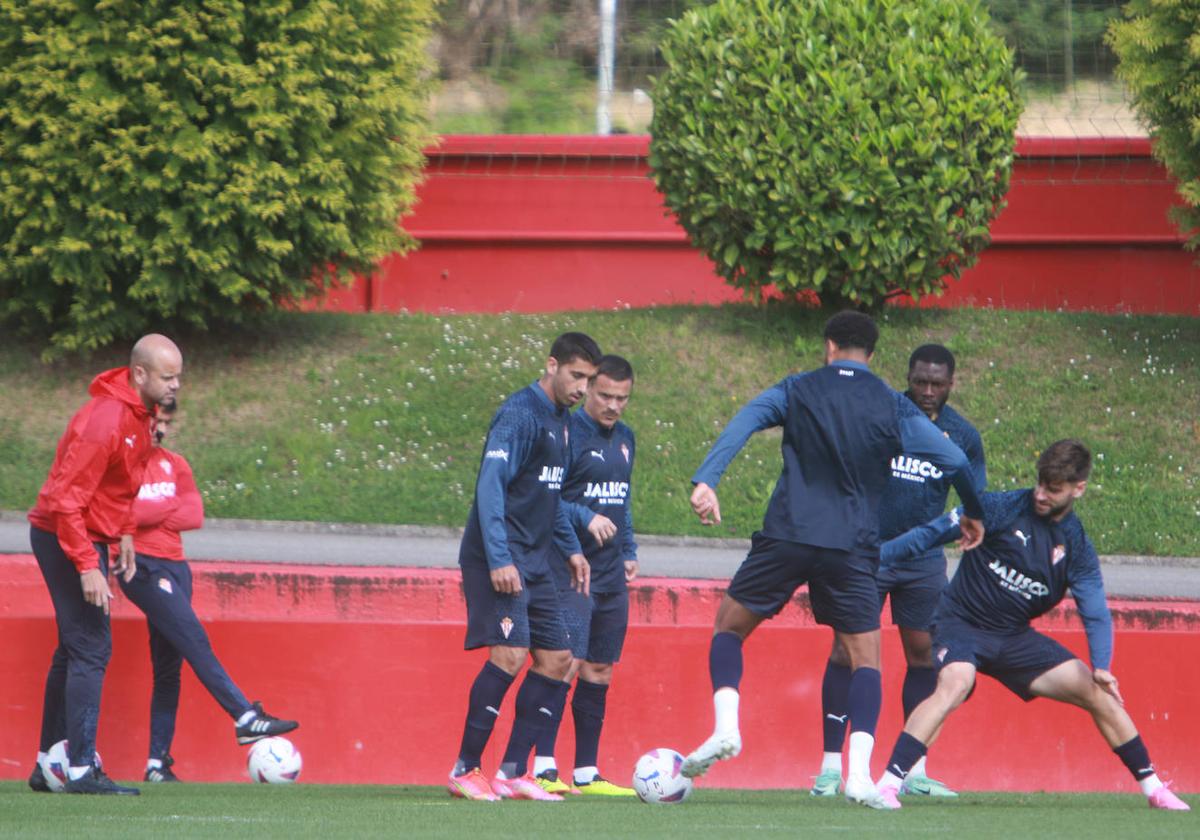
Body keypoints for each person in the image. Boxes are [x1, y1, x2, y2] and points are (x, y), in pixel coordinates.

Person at [680, 311, 986, 809]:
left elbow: (745, 420)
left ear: (828, 347)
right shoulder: (891, 403)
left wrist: (707, 478)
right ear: (872, 354)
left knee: (728, 629)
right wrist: (973, 512)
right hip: (851, 547)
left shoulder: (797, 387)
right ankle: (860, 777)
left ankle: (726, 729)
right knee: (867, 660)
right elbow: (953, 460)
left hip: (787, 535)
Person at [871, 439, 1190, 811]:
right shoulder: (995, 507)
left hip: (1012, 638)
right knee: (957, 681)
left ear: (1078, 489)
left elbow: (1094, 610)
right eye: (1039, 483)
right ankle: (888, 784)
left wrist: (1102, 665)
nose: (1040, 494)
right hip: (960, 623)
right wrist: (872, 558)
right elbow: (928, 534)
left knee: (1096, 690)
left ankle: (1154, 789)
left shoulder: (1076, 546)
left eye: (1052, 490)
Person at [812, 344, 986, 798]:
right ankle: (831, 768)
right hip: (866, 554)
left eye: (937, 383)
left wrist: (944, 532)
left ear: (952, 383)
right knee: (845, 653)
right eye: (920, 381)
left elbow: (974, 507)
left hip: (923, 560)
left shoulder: (962, 436)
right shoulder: (881, 416)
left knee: (923, 656)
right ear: (907, 376)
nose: (927, 391)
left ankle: (914, 771)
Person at [448, 332, 602, 802]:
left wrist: (572, 548)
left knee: (559, 659)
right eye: (576, 375)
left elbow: (550, 496)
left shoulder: (565, 423)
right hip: (501, 557)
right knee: (510, 655)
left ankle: (513, 772)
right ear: (552, 365)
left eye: (589, 380)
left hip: (536, 562)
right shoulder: (519, 414)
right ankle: (465, 769)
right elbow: (490, 486)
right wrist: (499, 557)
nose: (582, 387)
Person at [26, 334, 182, 796]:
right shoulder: (108, 419)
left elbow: (116, 485)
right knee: (92, 647)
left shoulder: (138, 414)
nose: (176, 386)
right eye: (168, 376)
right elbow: (65, 500)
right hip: (63, 535)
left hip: (81, 533)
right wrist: (86, 565)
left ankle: (46, 764)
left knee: (73, 648)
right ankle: (80, 770)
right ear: (139, 374)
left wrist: (125, 533)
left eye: (178, 377)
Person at [118, 404, 298, 783]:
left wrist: (149, 511)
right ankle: (245, 716)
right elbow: (120, 514)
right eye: (155, 422)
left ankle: (156, 764)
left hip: (176, 566)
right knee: (193, 637)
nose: (161, 429)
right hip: (141, 565)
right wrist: (159, 509)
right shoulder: (122, 466)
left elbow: (193, 514)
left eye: (166, 423)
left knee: (169, 669)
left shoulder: (175, 463)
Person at [532, 355, 640, 797]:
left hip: (611, 571)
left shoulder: (627, 439)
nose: (613, 406)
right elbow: (548, 498)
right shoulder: (566, 435)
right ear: (589, 390)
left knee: (599, 667)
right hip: (569, 566)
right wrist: (585, 516)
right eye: (605, 396)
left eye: (622, 398)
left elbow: (623, 500)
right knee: (563, 662)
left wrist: (629, 548)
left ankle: (587, 772)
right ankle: (541, 766)